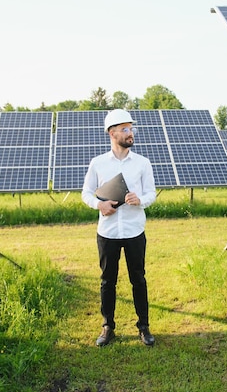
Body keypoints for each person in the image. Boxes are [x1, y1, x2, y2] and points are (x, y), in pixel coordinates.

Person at [82, 109, 157, 347]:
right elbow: (85, 193)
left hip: (135, 230)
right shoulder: (98, 163)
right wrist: (99, 204)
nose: (130, 133)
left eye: (131, 128)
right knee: (107, 281)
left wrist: (141, 200)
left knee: (139, 279)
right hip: (108, 232)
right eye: (124, 129)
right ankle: (108, 327)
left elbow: (151, 193)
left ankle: (143, 327)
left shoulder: (143, 163)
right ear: (112, 133)